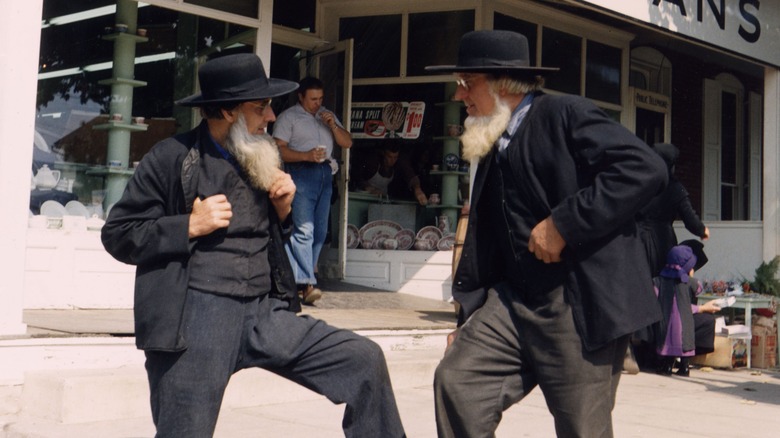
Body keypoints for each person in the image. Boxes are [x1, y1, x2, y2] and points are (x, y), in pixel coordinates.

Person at [101, 53, 404, 438]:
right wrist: (188, 225)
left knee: (364, 360)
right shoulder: (172, 157)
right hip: (196, 317)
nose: (271, 116)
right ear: (228, 111)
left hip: (265, 312)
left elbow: (261, 234)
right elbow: (119, 233)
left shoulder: (258, 156)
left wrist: (281, 209)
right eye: (260, 107)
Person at [425, 30, 668, 437]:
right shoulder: (493, 136)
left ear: (503, 84)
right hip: (513, 302)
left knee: (582, 428)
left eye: (467, 83)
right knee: (458, 381)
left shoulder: (564, 114)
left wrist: (563, 224)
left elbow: (644, 168)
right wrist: (468, 317)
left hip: (577, 304)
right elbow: (490, 241)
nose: (458, 95)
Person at [273, 76, 353, 304]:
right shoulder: (289, 117)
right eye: (312, 99)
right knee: (304, 230)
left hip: (324, 174)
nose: (317, 103)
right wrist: (306, 156)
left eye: (320, 99)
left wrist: (332, 125)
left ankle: (300, 279)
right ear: (301, 97)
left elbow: (347, 142)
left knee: (319, 232)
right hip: (300, 172)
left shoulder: (325, 114)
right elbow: (277, 150)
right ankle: (307, 283)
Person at [637, 142, 710, 276]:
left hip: (635, 239)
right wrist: (702, 230)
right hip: (661, 241)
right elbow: (689, 218)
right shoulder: (675, 188)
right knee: (662, 283)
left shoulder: (640, 183)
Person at [654, 245, 720, 376]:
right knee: (685, 342)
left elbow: (654, 293)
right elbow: (699, 289)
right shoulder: (689, 282)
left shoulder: (659, 281)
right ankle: (684, 368)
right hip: (685, 321)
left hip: (667, 321)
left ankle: (667, 366)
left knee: (668, 343)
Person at [351, 142, 428, 205]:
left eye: (395, 157)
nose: (392, 160)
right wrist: (369, 188)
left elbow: (411, 176)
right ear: (383, 154)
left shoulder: (398, 163)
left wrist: (417, 189)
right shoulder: (373, 163)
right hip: (364, 200)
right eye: (389, 157)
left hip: (382, 201)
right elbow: (357, 177)